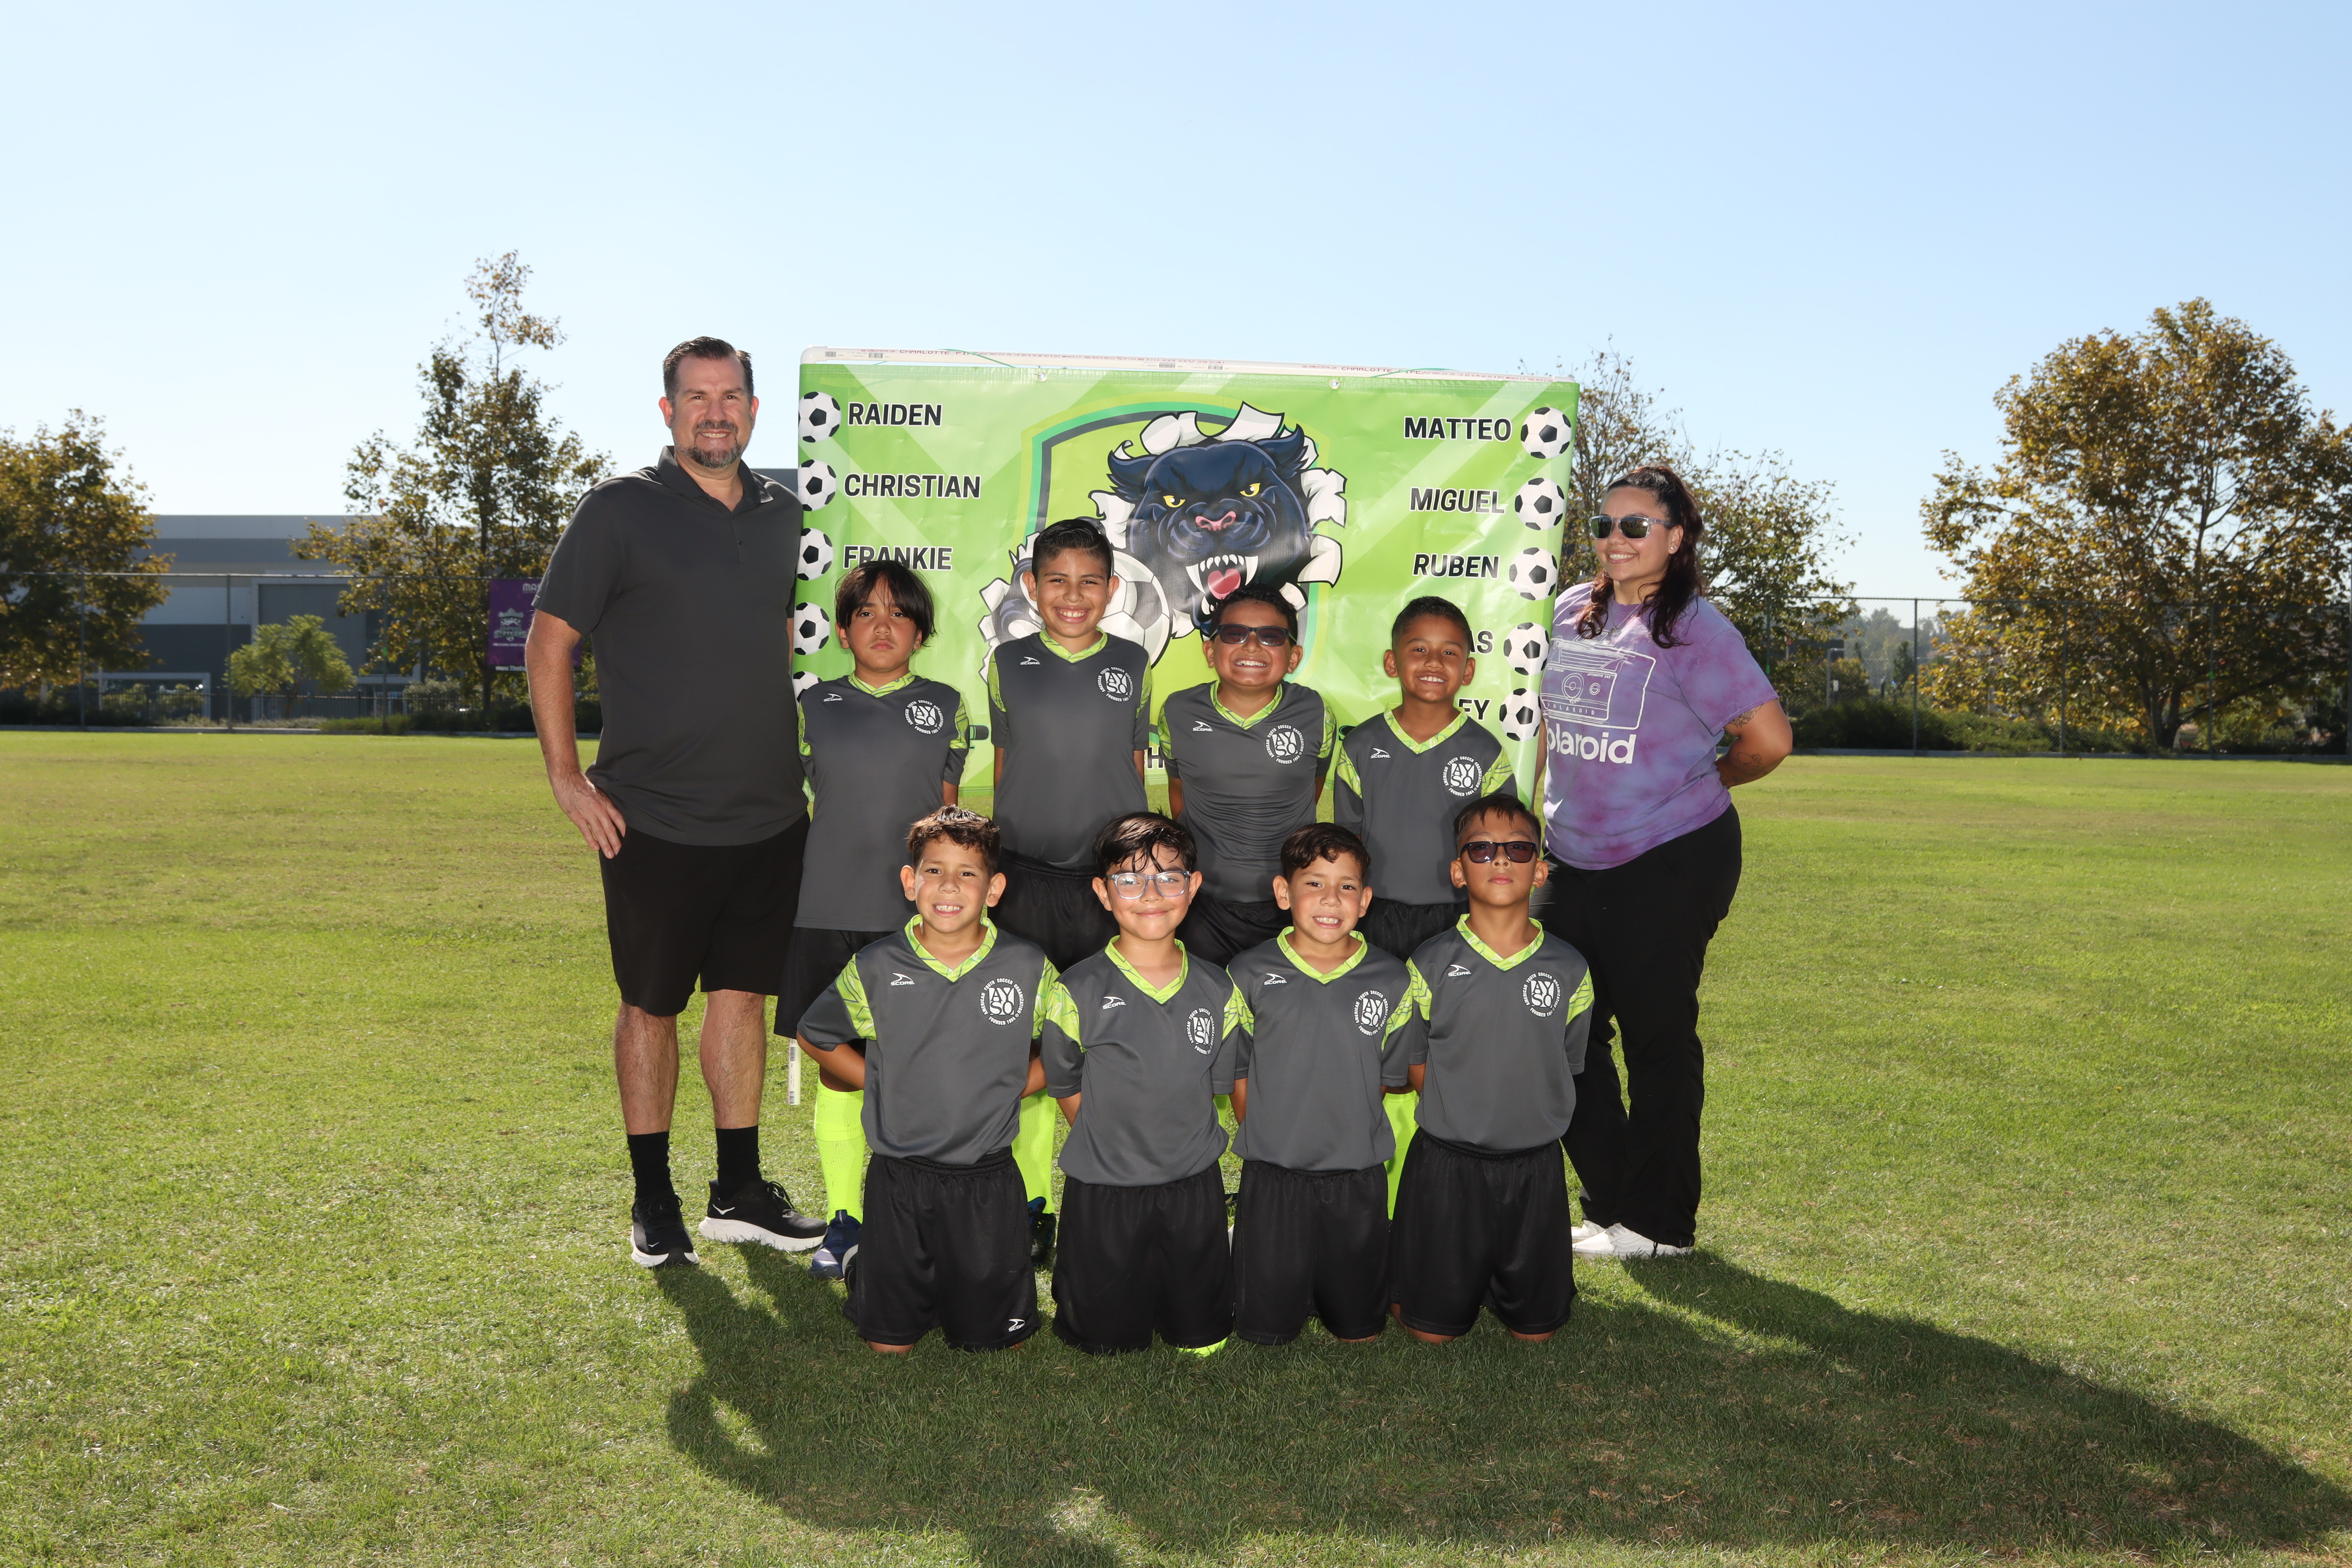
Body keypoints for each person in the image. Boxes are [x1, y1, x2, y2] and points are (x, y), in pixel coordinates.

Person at [527, 335, 825, 1269]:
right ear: (668, 411)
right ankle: (652, 1200)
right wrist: (567, 777)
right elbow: (549, 640)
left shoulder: (788, 516)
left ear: (754, 410)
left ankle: (738, 1191)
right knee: (650, 1008)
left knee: (741, 999)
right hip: (652, 819)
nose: (715, 413)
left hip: (770, 814)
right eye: (697, 397)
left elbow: (795, 638)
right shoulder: (620, 510)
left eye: (731, 396)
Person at [1538, 464, 1790, 1263]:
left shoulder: (1696, 629)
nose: (1615, 539)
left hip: (1670, 855)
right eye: (1605, 525)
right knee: (1558, 1029)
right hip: (1571, 855)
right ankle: (1614, 1204)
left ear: (1676, 539)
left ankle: (1659, 1226)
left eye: (1636, 525)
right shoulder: (1570, 610)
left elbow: (1768, 741)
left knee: (1656, 1039)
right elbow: (1545, 724)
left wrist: (1704, 780)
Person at [793, 808, 1054, 1352]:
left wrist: (1014, 1086)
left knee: (996, 1343)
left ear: (994, 888)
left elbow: (1068, 1046)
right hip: (900, 1178)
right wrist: (879, 1080)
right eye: (934, 870)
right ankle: (870, 1265)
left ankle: (959, 1286)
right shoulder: (876, 964)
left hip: (988, 1179)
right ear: (910, 881)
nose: (949, 886)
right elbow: (816, 1034)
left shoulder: (1027, 964)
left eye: (967, 873)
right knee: (889, 1345)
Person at [776, 561, 970, 1280]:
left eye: (899, 613)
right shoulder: (812, 705)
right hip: (826, 909)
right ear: (842, 630)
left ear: (920, 632)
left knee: (925, 1063)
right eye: (865, 613)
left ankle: (920, 1211)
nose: (882, 626)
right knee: (837, 1069)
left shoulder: (947, 705)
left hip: (913, 922)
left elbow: (946, 820)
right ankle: (846, 1218)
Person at [1331, 594, 1516, 1211]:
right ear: (1392, 662)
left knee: (1445, 1051)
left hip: (1454, 924)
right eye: (1418, 649)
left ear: (1469, 669)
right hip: (1378, 921)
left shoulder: (1486, 752)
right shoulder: (1361, 745)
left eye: (1449, 652)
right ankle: (1365, 1179)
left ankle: (1446, 1184)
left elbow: (1500, 856)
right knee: (1373, 1049)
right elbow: (1347, 848)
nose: (1433, 663)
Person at [1388, 794, 1592, 1345]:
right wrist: (1458, 1112)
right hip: (1446, 1165)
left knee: (1537, 1335)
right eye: (1481, 849)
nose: (1500, 859)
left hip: (1534, 1166)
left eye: (1518, 849)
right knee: (1432, 1334)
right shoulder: (1429, 962)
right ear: (1458, 871)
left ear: (1540, 870)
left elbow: (1567, 1060)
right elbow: (1414, 1060)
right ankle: (1419, 1279)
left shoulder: (1570, 968)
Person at [1039, 813, 1241, 1355]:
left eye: (1169, 878)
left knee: (1201, 1335)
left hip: (1193, 1185)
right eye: (1128, 879)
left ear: (1193, 887)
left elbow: (1216, 1083)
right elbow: (1065, 1081)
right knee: (1104, 1340)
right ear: (1102, 893)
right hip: (1105, 1189)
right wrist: (1110, 1144)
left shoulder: (1218, 988)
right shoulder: (1076, 988)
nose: (1150, 894)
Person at [1225, 824, 1417, 1346]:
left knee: (1359, 1331)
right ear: (1283, 892)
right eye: (1314, 883)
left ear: (1366, 900)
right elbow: (1239, 1071)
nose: (1331, 899)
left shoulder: (1391, 978)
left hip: (1357, 1173)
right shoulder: (1248, 972)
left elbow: (1387, 1079)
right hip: (1274, 1174)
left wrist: (1346, 1126)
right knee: (1265, 1332)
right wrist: (1267, 1136)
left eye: (1346, 886)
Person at [985, 518, 1153, 975]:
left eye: (1090, 582)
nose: (1073, 596)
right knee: (1027, 996)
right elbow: (1005, 759)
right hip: (1025, 868)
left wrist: (1131, 850)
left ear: (1112, 588)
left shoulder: (1134, 660)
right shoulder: (1007, 661)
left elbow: (1134, 761)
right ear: (1032, 586)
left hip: (1110, 869)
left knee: (1104, 994)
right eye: (1058, 580)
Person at [1161, 585, 1336, 966]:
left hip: (1290, 905)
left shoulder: (1316, 713)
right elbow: (1180, 795)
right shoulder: (1177, 712)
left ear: (1294, 657)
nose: (1252, 646)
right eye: (1234, 634)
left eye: (1271, 636)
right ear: (1210, 651)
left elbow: (1311, 790)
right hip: (1203, 905)